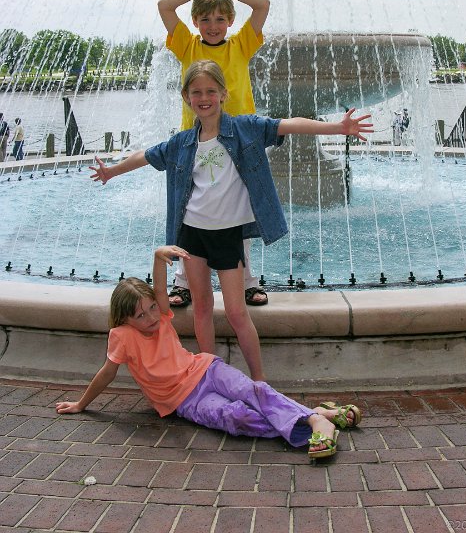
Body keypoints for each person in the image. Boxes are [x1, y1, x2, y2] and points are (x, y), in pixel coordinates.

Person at [90, 60, 374, 382]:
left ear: (223, 94)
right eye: (197, 92)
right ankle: (210, 375)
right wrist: (111, 171)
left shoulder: (244, 129)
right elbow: (146, 155)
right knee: (201, 308)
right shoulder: (182, 143)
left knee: (237, 313)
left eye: (211, 91)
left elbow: (288, 124)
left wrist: (337, 127)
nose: (204, 98)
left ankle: (259, 379)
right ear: (186, 97)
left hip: (228, 235)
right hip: (192, 234)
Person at [55, 245, 362, 460]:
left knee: (253, 391)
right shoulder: (122, 336)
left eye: (152, 308)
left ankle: (317, 422)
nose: (150, 317)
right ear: (124, 319)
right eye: (140, 315)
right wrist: (82, 404)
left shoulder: (161, 316)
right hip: (185, 400)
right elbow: (107, 373)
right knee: (236, 417)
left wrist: (158, 258)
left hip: (206, 369)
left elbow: (159, 290)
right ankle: (315, 416)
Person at [158, 0, 270, 308]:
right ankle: (182, 282)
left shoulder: (241, 44)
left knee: (241, 208)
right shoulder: (187, 45)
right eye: (205, 19)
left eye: (221, 18)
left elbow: (263, 5)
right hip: (195, 140)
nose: (213, 25)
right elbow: (164, 6)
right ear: (195, 21)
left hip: (239, 142)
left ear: (231, 21)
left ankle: (247, 281)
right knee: (188, 207)